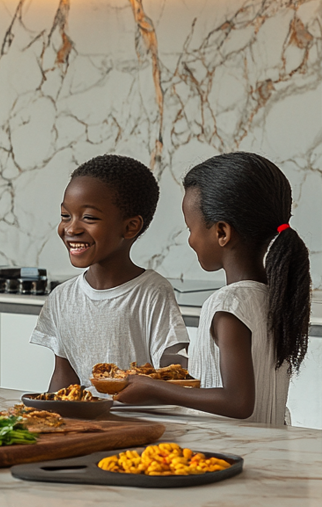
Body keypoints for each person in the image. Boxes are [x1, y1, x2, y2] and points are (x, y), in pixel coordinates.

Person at [115, 152, 311, 424]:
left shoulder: (229, 304)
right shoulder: (277, 297)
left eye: (190, 228)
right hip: (268, 446)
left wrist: (152, 387)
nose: (190, 240)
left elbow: (238, 402)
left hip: (226, 447)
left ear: (222, 232)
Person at [30, 154, 190, 392]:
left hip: (140, 414)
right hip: (86, 416)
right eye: (66, 216)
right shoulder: (61, 297)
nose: (71, 228)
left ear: (130, 227)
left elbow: (175, 374)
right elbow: (64, 378)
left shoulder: (152, 292)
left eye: (89, 218)